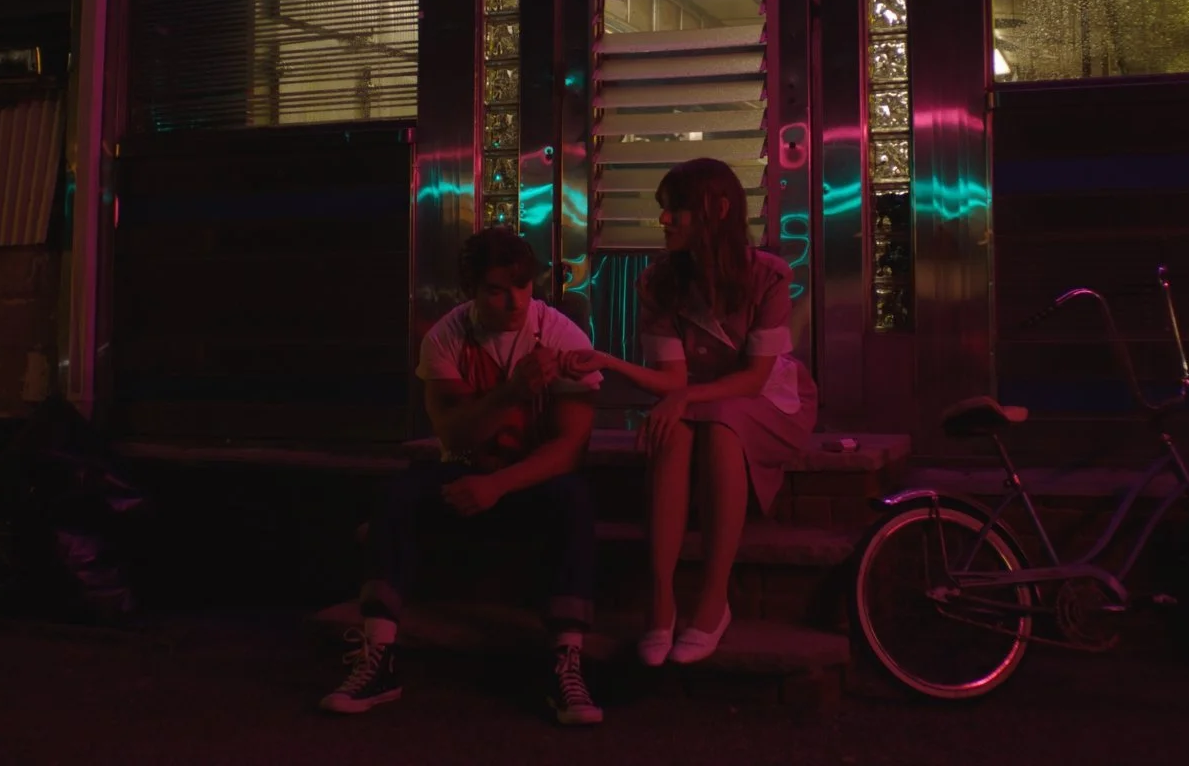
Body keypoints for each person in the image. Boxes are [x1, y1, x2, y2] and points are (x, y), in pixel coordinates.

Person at [320, 226, 605, 726]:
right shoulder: (446, 337)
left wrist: (498, 485)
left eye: (522, 286)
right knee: (400, 494)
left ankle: (566, 663)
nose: (514, 301)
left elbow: (568, 450)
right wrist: (512, 393)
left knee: (574, 498)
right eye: (497, 289)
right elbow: (452, 432)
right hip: (465, 470)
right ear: (472, 291)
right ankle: (379, 656)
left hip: (527, 482)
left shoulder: (560, 335)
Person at [562, 158, 817, 666]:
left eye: (675, 209)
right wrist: (609, 361)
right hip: (702, 400)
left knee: (720, 422)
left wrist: (683, 398)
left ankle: (713, 599)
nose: (664, 221)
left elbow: (753, 379)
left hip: (768, 402)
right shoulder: (659, 282)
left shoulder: (768, 275)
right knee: (675, 430)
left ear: (717, 210)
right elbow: (674, 382)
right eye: (664, 210)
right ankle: (660, 601)